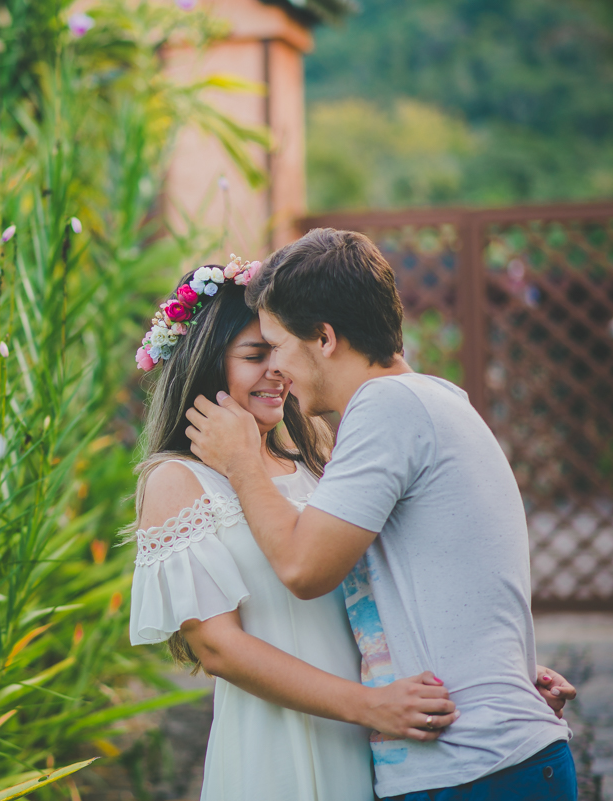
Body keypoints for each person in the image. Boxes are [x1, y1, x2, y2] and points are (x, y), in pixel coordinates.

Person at [183, 229, 577, 801]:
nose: (278, 370)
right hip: (480, 764)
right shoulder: (435, 399)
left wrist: (241, 463)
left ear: (324, 338)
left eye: (279, 345)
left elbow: (304, 569)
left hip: (472, 772)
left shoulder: (386, 408)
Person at [128, 259, 461, 801]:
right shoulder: (177, 481)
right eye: (254, 356)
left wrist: (492, 675)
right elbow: (218, 648)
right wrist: (367, 706)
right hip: (279, 745)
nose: (277, 370)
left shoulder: (316, 460)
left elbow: (389, 587)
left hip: (381, 732)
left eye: (279, 351)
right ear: (207, 364)